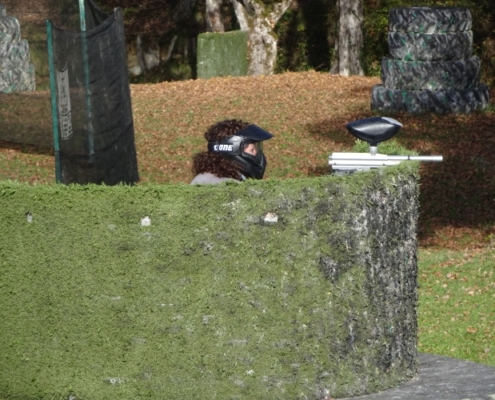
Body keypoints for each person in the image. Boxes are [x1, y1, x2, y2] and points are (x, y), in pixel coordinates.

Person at [190, 119, 273, 185]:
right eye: (252, 149)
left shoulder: (201, 179)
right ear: (234, 149)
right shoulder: (230, 187)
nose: (256, 153)